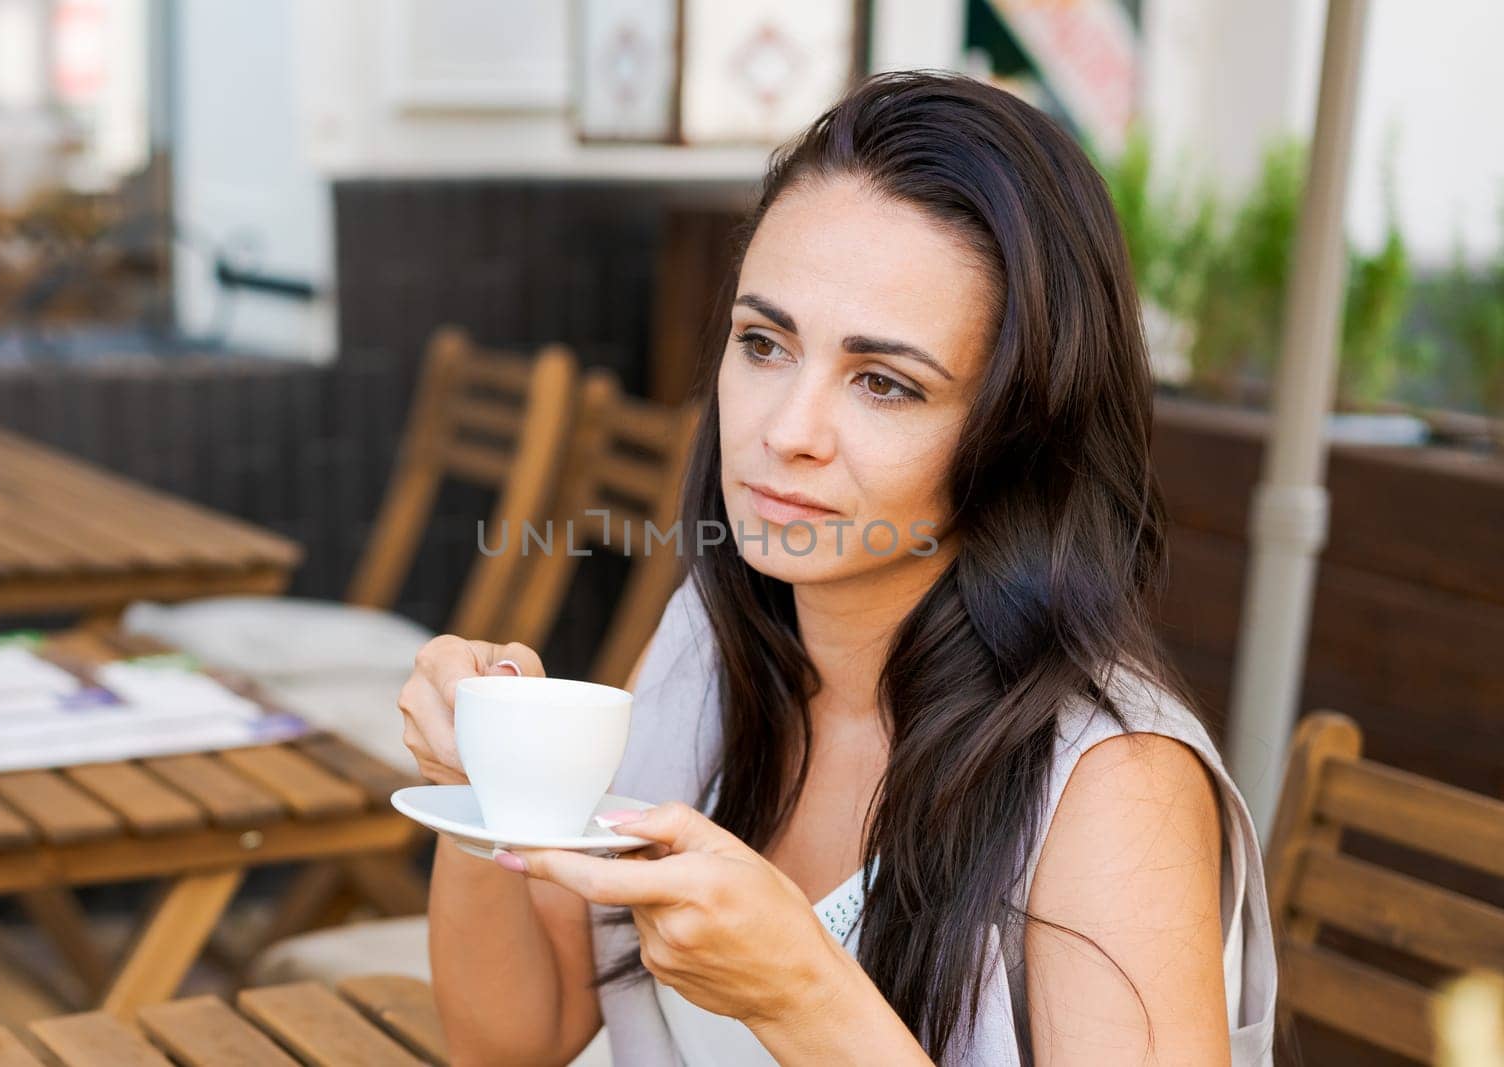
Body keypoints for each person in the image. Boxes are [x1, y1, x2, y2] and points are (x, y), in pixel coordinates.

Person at [398, 70, 1277, 1065]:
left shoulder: (1113, 783)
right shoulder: (710, 639)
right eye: (764, 343)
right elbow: (513, 1038)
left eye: (884, 382)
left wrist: (804, 997)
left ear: (1020, 430)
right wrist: (477, 789)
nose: (786, 430)